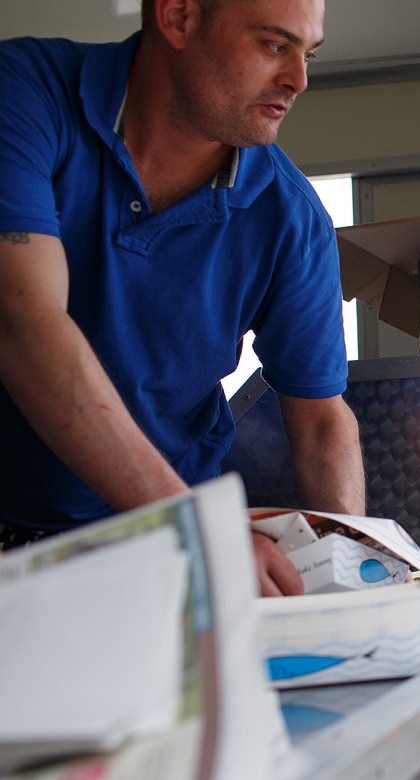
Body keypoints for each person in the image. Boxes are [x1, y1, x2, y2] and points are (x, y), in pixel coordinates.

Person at [0, 0, 365, 596]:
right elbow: (22, 321)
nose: (299, 80)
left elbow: (321, 420)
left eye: (309, 54)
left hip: (153, 546)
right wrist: (201, 529)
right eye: (275, 45)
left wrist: (355, 565)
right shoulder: (24, 93)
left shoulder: (290, 219)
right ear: (178, 18)